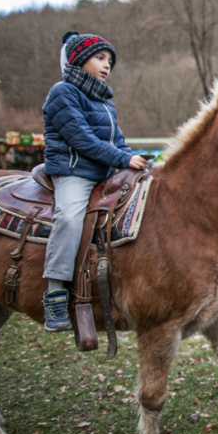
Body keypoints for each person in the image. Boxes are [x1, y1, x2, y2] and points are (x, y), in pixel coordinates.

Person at [41, 31, 147, 332]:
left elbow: (118, 142)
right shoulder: (63, 92)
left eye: (110, 60)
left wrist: (135, 160)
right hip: (74, 172)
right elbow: (81, 139)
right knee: (70, 217)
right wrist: (121, 159)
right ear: (78, 59)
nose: (107, 65)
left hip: (104, 174)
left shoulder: (104, 101)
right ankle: (55, 291)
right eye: (100, 58)